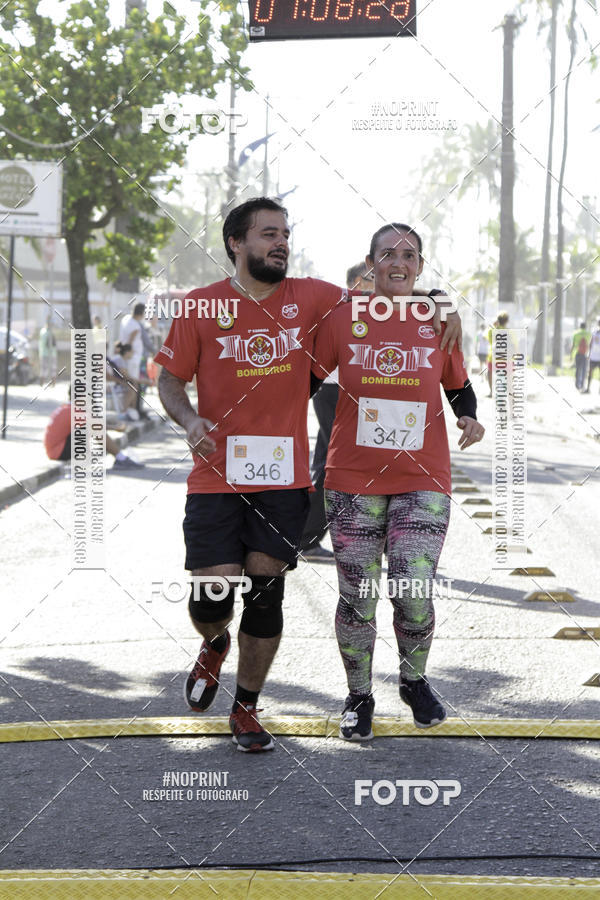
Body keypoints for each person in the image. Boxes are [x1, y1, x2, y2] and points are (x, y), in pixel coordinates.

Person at [155, 197, 463, 753]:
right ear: (236, 243)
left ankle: (246, 707)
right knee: (212, 596)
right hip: (215, 475)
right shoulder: (200, 307)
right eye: (268, 233)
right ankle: (215, 641)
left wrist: (439, 302)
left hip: (283, 477)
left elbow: (391, 296)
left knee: (267, 592)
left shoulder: (316, 296)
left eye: (285, 233)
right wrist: (188, 418)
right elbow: (169, 380)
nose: (281, 242)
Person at [312, 222, 484, 741]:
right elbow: (305, 380)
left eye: (409, 254)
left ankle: (413, 680)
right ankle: (358, 696)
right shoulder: (344, 315)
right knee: (358, 596)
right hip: (351, 478)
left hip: (422, 477)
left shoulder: (436, 318)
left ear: (421, 266)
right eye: (387, 253)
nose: (398, 261)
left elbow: (459, 384)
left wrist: (469, 417)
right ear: (370, 265)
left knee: (412, 588)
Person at [298, 262, 375, 561]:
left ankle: (305, 535)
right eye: (371, 279)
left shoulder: (367, 309)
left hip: (341, 391)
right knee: (338, 464)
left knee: (324, 465)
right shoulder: (345, 307)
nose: (378, 284)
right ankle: (307, 536)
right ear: (357, 281)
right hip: (333, 390)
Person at [44, 397, 143, 468]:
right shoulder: (72, 411)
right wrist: (116, 428)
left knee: (89, 426)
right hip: (58, 452)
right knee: (93, 428)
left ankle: (118, 457)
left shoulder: (66, 408)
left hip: (56, 450)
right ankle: (120, 458)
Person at [487, 311, 509, 396]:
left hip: (492, 356)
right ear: (506, 321)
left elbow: (489, 339)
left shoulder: (493, 330)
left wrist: (493, 325)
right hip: (504, 357)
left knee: (490, 373)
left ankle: (491, 391)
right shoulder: (508, 332)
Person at [571, 321, 590, 391]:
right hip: (585, 354)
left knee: (578, 368)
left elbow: (573, 345)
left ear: (580, 326)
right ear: (585, 327)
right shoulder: (588, 334)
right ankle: (582, 385)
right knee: (584, 369)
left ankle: (577, 384)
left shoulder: (576, 333)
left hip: (577, 353)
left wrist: (571, 354)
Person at [38, 319, 58, 386]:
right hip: (49, 353)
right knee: (51, 368)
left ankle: (44, 383)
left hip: (45, 353)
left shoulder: (43, 331)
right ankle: (50, 383)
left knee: (46, 368)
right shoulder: (48, 332)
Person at [584, 318, 600, 394]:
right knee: (590, 372)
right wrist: (588, 354)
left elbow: (590, 344)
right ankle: (588, 388)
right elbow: (590, 344)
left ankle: (589, 388)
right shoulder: (594, 333)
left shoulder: (594, 333)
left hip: (595, 356)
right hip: (593, 356)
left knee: (590, 372)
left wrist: (589, 353)